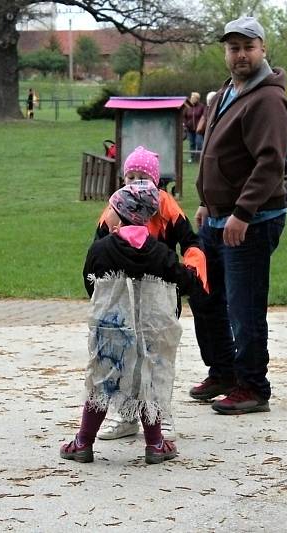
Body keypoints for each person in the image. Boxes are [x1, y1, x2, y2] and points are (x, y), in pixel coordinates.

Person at [60, 180, 203, 464]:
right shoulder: (161, 254)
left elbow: (92, 285)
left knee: (101, 381)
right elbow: (185, 282)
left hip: (112, 334)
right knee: (148, 381)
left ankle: (83, 442)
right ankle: (155, 444)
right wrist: (191, 274)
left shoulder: (101, 249)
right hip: (148, 335)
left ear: (121, 214)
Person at [189, 16, 287, 415]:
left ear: (262, 48)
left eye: (248, 46)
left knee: (243, 305)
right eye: (233, 47)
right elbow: (216, 153)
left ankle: (252, 386)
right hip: (217, 216)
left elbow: (269, 163)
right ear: (225, 52)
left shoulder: (268, 99)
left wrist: (243, 213)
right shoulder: (225, 94)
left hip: (251, 220)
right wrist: (206, 200)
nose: (241, 54)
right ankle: (224, 371)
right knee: (205, 296)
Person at [93, 146, 207, 441]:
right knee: (126, 354)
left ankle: (160, 414)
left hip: (160, 294)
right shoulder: (115, 208)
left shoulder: (167, 207)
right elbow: (99, 250)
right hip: (124, 296)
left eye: (142, 177)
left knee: (158, 356)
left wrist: (190, 275)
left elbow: (191, 242)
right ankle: (128, 415)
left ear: (155, 182)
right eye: (130, 176)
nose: (135, 182)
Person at [183, 92, 205, 162]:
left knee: (199, 143)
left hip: (199, 129)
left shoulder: (201, 106)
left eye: (193, 97)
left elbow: (204, 117)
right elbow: (184, 116)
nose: (192, 98)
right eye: (191, 97)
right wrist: (186, 124)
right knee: (191, 144)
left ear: (197, 99)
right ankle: (192, 158)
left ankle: (199, 159)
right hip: (190, 129)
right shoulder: (188, 107)